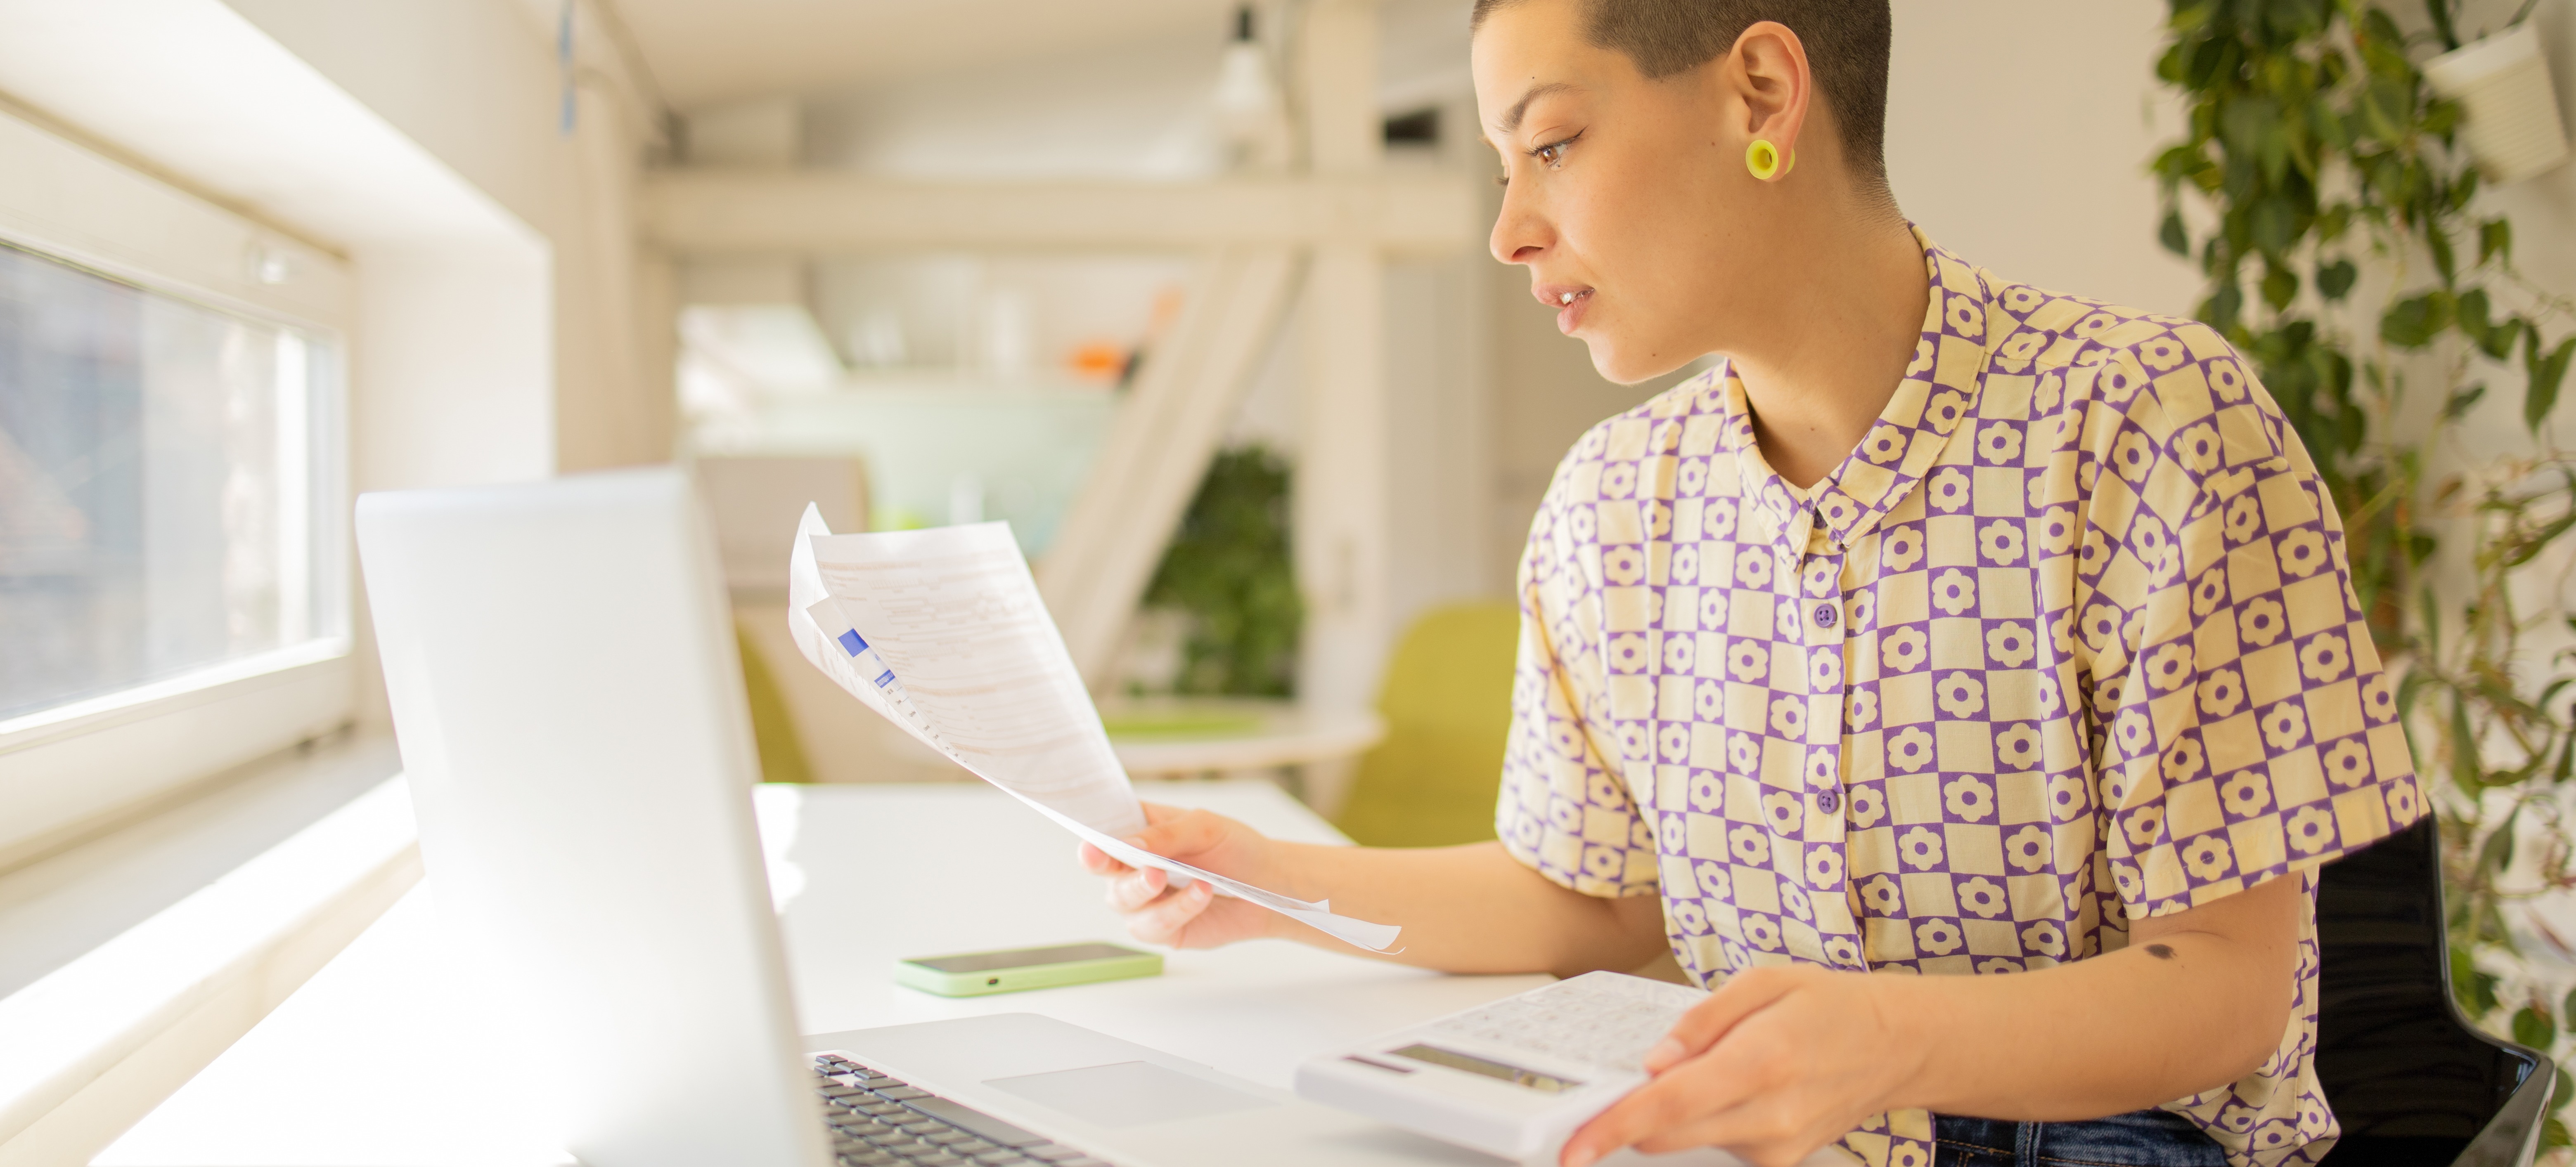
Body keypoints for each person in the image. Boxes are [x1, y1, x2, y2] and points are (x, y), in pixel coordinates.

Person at [1078, 2, 2422, 1165]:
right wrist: (1272, 883)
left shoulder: (2151, 424)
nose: (1508, 230)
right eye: (1503, 166)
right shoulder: (1611, 506)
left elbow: (2227, 994)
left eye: (1549, 144)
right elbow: (1594, 901)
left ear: (1762, 92)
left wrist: (1884, 1039)